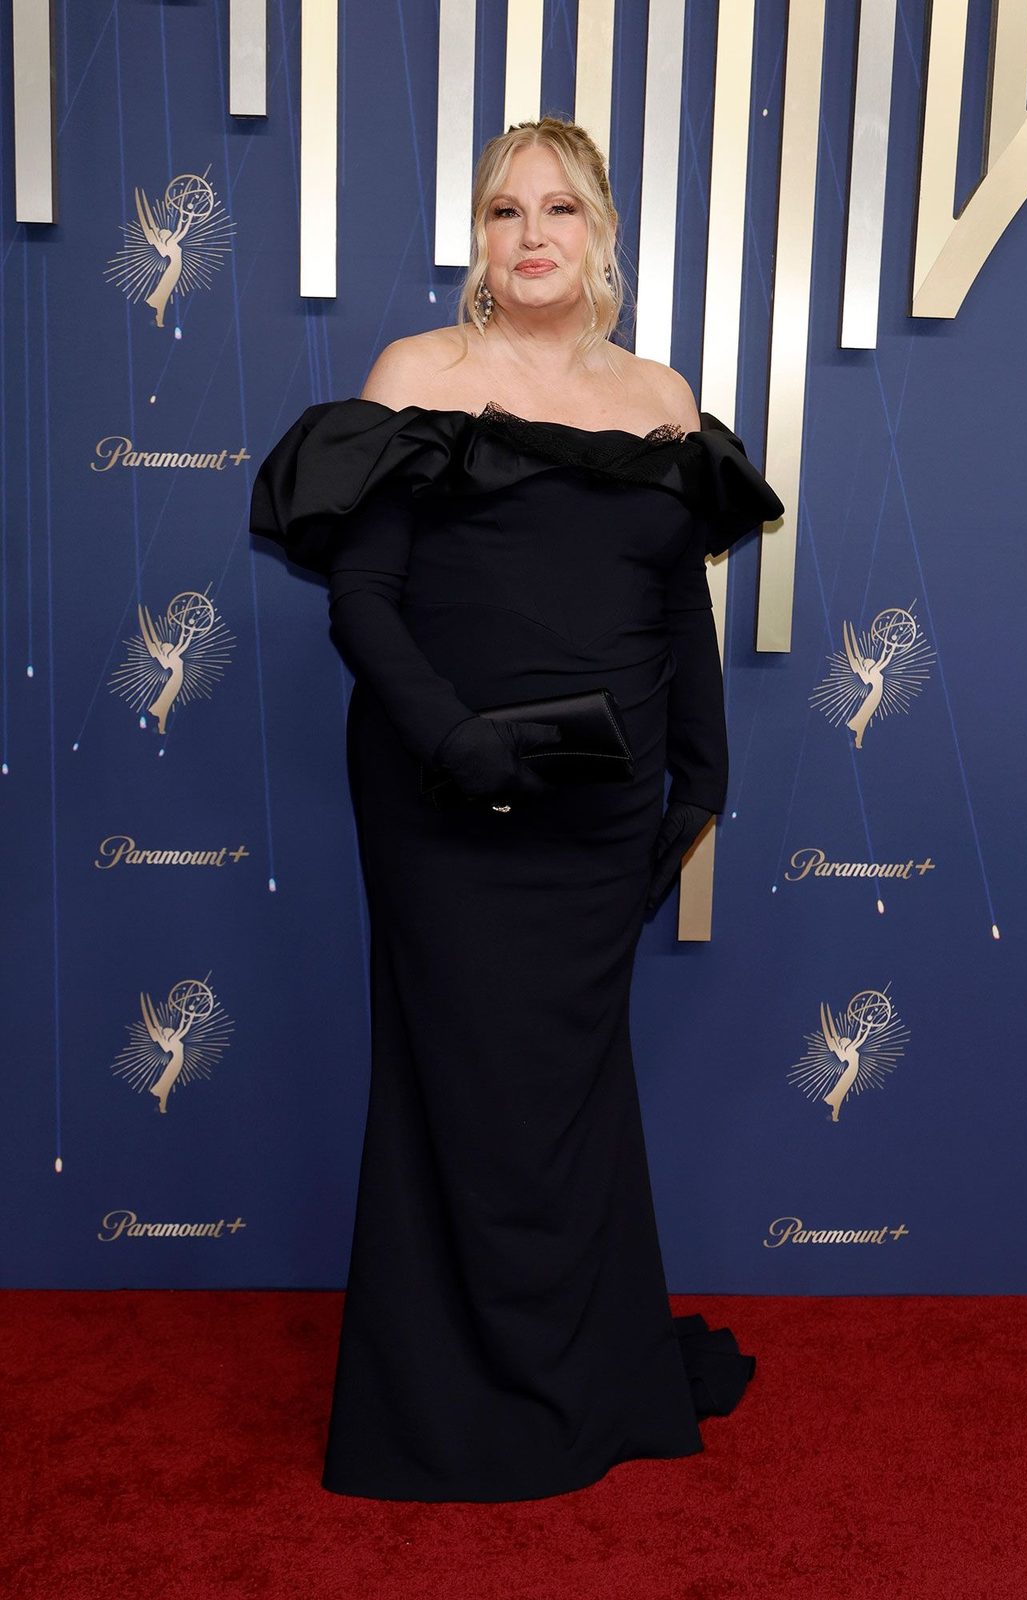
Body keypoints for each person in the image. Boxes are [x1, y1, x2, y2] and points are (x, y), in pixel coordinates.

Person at [249, 116, 784, 1503]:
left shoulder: (660, 394)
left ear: (602, 234)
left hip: (604, 809)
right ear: (477, 240)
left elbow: (677, 602)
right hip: (443, 797)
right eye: (503, 211)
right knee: (460, 1086)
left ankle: (589, 1377)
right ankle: (445, 1408)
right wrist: (452, 739)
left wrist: (703, 774)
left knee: (570, 1092)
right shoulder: (418, 374)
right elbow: (362, 598)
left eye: (558, 208)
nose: (531, 233)